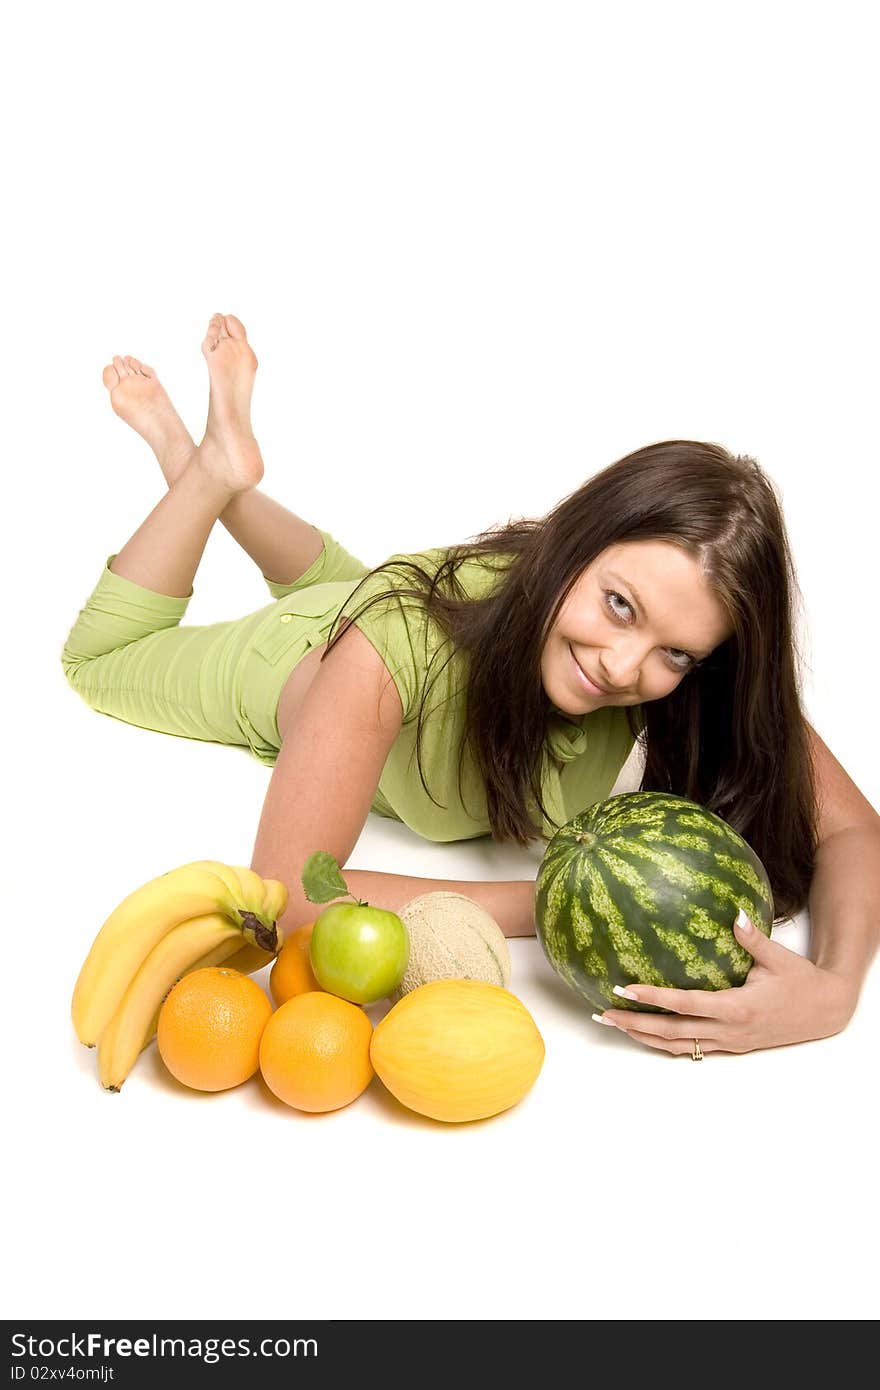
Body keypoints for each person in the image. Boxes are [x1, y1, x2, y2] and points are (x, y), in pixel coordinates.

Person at [60, 312, 880, 1057]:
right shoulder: (389, 651)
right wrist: (551, 902)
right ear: (574, 545)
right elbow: (294, 893)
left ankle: (217, 474)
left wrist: (836, 991)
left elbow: (855, 833)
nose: (626, 669)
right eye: (619, 605)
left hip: (399, 609)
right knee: (98, 661)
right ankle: (200, 474)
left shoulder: (673, 660)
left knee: (354, 582)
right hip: (293, 657)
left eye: (677, 653)